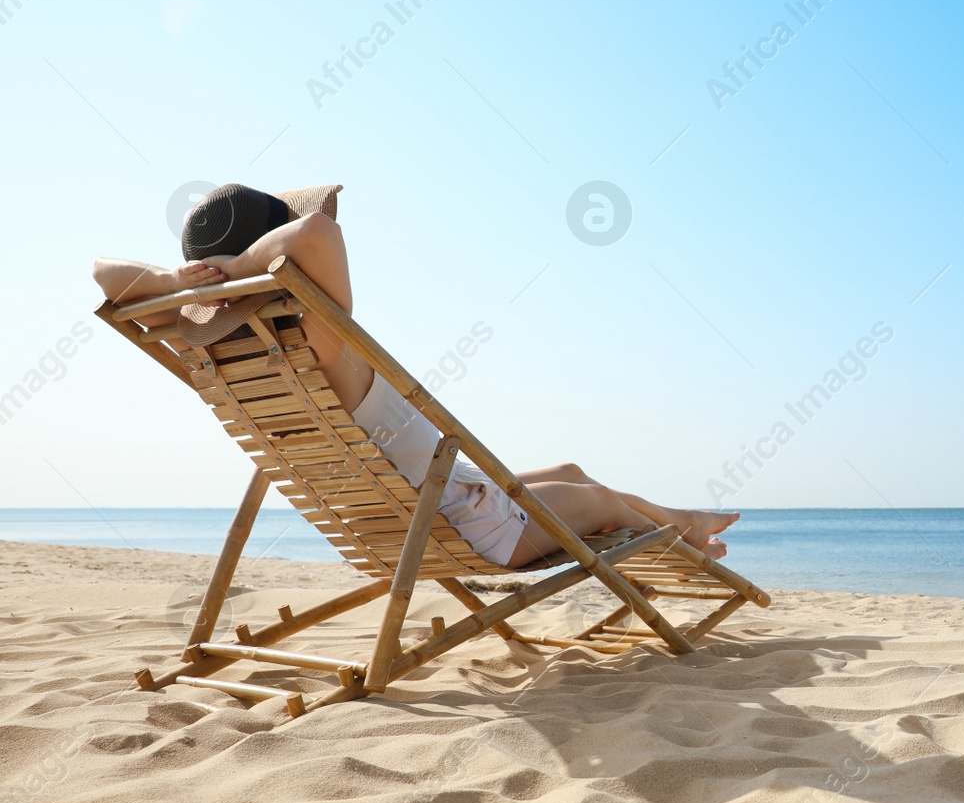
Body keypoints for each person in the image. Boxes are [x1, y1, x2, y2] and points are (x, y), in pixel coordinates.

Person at [92, 183, 738, 567]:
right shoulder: (320, 335)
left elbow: (104, 272)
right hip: (465, 522)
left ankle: (686, 521)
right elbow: (314, 229)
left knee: (570, 472)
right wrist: (243, 268)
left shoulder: (224, 348)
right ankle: (688, 531)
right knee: (598, 503)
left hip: (431, 500)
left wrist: (182, 283)